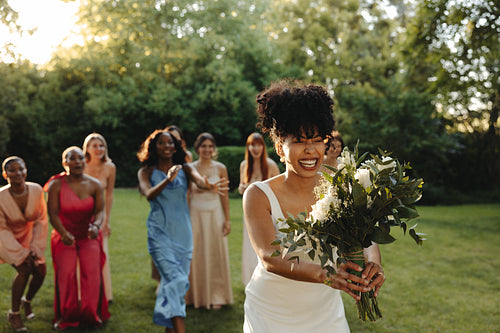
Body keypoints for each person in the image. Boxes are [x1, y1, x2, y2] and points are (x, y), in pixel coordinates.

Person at [242, 80, 385, 332]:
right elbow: (269, 257)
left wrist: (373, 263)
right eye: (299, 141)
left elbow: (366, 237)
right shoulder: (258, 194)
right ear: (280, 148)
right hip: (271, 312)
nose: (310, 151)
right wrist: (325, 274)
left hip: (325, 311)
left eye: (318, 140)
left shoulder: (341, 186)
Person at [137, 129, 228, 333]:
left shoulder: (185, 168)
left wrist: (208, 185)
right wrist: (167, 180)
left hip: (183, 234)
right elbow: (149, 194)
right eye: (162, 143)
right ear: (154, 147)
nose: (167, 146)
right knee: (175, 280)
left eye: (170, 143)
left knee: (175, 285)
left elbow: (198, 180)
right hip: (159, 233)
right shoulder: (146, 172)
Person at [46, 146, 110, 331]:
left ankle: (92, 315)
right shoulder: (56, 185)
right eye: (72, 158)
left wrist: (96, 226)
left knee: (92, 274)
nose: (77, 162)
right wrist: (64, 234)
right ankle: (67, 316)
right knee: (66, 274)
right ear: (64, 163)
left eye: (81, 158)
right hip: (64, 235)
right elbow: (53, 214)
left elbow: (99, 211)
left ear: (85, 161)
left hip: (88, 235)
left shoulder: (94, 184)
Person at [185, 133, 233, 309]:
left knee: (215, 251)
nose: (207, 149)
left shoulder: (220, 168)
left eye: (210, 146)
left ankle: (216, 296)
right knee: (195, 253)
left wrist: (227, 219)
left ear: (214, 149)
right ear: (197, 148)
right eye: (203, 146)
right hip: (195, 213)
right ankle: (193, 296)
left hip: (214, 213)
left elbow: (225, 195)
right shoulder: (190, 168)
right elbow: (187, 195)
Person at [0, 156, 48, 332]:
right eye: (12, 170)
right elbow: (1, 229)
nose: (18, 173)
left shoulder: (36, 190)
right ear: (5, 174)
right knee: (24, 268)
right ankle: (14, 314)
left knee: (41, 270)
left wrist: (35, 247)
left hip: (29, 235)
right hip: (5, 238)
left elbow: (41, 220)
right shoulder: (0, 197)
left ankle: (26, 301)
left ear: (26, 169)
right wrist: (20, 252)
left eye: (21, 168)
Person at [149, 125, 193, 286]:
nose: (167, 145)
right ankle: (162, 282)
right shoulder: (151, 169)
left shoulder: (185, 161)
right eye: (163, 142)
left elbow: (193, 182)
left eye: (173, 140)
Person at [238, 132, 280, 286]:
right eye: (251, 145)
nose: (255, 148)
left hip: (266, 214)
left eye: (258, 144)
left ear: (263, 146)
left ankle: (266, 280)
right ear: (248, 147)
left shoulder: (270, 165)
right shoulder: (244, 165)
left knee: (265, 246)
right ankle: (250, 280)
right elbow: (241, 187)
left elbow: (278, 191)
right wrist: (243, 188)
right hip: (248, 213)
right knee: (249, 247)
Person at [83, 133, 116, 302]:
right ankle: (83, 293)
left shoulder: (110, 167)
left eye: (101, 145)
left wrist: (106, 220)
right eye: (94, 146)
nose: (98, 149)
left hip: (100, 214)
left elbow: (109, 195)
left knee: (101, 253)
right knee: (82, 253)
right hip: (82, 214)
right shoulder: (80, 165)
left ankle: (104, 293)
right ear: (87, 149)